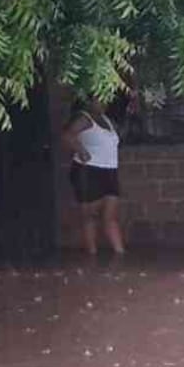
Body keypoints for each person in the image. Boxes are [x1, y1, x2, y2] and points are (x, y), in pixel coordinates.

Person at [62, 98, 126, 256]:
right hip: (89, 171)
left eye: (105, 99)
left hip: (110, 171)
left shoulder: (106, 120)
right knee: (89, 217)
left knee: (111, 217)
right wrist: (81, 150)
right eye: (99, 99)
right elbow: (67, 135)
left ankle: (120, 254)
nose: (104, 102)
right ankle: (92, 254)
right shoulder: (84, 118)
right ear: (88, 101)